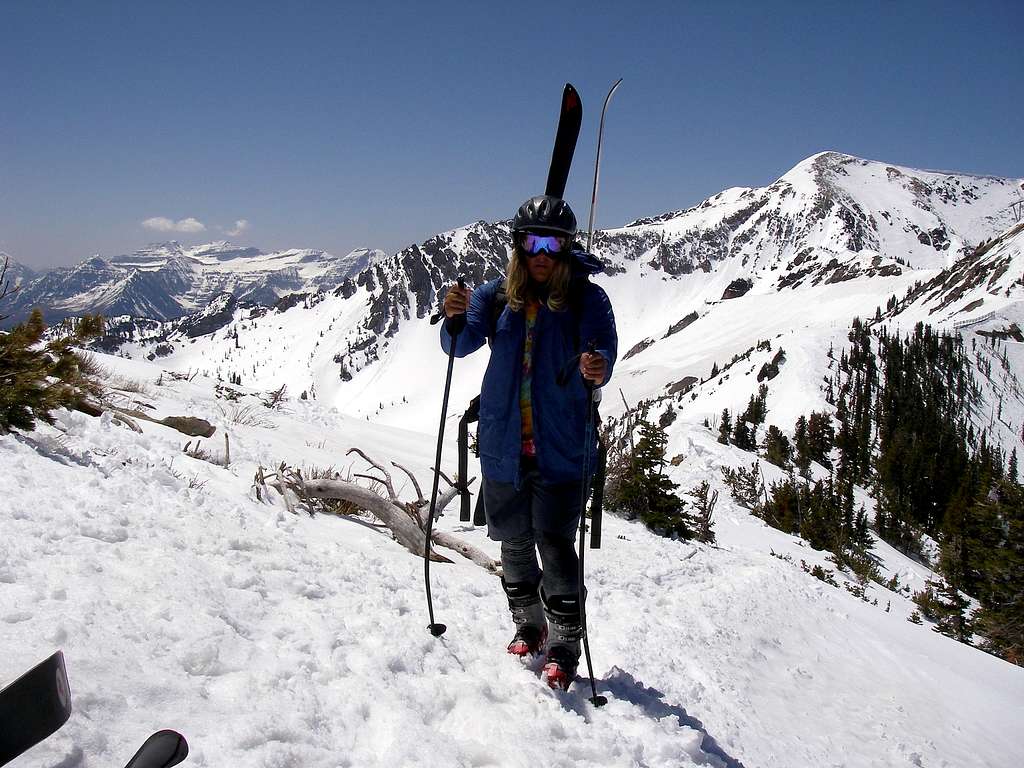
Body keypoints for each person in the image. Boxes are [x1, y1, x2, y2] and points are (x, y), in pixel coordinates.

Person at [440, 194, 617, 689]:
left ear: (566, 248)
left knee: (556, 544)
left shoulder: (586, 298)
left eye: (554, 242)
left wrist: (596, 365)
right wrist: (453, 319)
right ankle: (530, 625)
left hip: (561, 449)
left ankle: (564, 642)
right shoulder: (495, 297)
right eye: (533, 240)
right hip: (503, 446)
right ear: (518, 244)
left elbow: (603, 348)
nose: (542, 252)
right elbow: (460, 344)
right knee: (514, 542)